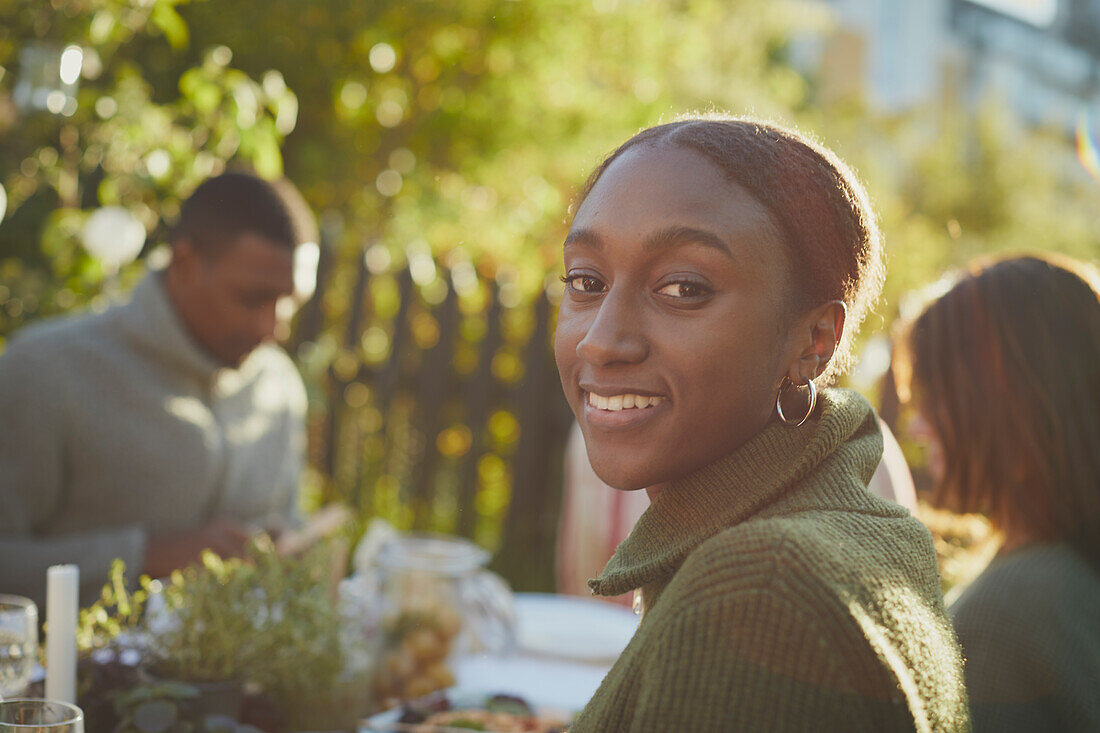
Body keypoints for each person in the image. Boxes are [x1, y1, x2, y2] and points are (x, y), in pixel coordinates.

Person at [553, 116, 969, 732]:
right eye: (586, 281)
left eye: (683, 288)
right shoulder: (835, 530)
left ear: (814, 339)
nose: (601, 342)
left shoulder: (760, 596)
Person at [0, 172, 312, 606]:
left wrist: (290, 547)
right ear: (184, 264)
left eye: (289, 302)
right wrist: (144, 558)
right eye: (251, 298)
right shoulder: (45, 371)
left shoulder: (279, 387)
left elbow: (289, 526)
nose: (272, 328)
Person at [901, 254, 1100, 733]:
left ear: (1007, 407)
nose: (917, 426)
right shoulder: (1066, 576)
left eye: (933, 395)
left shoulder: (1011, 612)